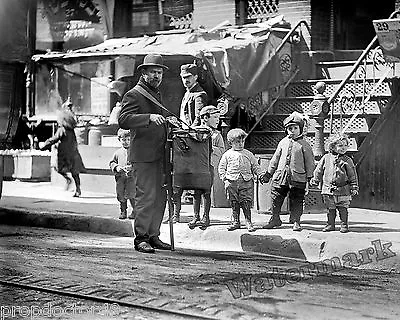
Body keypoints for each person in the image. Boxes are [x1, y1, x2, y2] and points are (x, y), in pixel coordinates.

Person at [118, 54, 171, 254]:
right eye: (153, 72)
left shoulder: (155, 93)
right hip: (143, 156)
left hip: (160, 155)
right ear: (144, 72)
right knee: (146, 197)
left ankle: (153, 235)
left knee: (160, 197)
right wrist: (148, 117)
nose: (157, 76)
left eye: (159, 73)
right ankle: (141, 238)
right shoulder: (135, 94)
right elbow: (123, 119)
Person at [259, 112, 315, 231]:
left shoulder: (304, 145)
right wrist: (269, 173)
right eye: (290, 128)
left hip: (298, 177)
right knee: (276, 197)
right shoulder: (283, 142)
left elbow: (310, 163)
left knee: (297, 199)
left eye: (295, 128)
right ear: (286, 130)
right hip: (281, 177)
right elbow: (275, 158)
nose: (292, 131)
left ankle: (296, 221)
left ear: (301, 129)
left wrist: (309, 178)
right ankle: (275, 218)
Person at [184, 105, 225, 230]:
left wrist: (211, 148)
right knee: (196, 192)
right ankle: (195, 217)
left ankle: (206, 217)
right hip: (196, 166)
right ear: (205, 118)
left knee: (206, 192)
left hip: (209, 167)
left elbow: (222, 151)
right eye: (215, 117)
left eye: (218, 117)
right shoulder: (195, 132)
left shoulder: (216, 135)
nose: (218, 120)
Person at [310, 133, 359, 233]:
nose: (343, 148)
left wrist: (354, 186)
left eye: (345, 145)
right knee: (330, 208)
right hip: (328, 190)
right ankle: (330, 224)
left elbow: (352, 175)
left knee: (343, 208)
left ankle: (344, 224)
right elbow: (318, 170)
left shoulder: (347, 160)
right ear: (332, 146)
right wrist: (315, 179)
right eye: (340, 145)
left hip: (343, 190)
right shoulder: (326, 158)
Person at [218, 128, 261, 232]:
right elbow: (221, 167)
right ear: (230, 143)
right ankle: (235, 221)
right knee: (234, 202)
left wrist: (260, 174)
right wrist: (224, 179)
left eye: (242, 141)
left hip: (246, 181)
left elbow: (255, 166)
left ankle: (248, 221)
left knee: (246, 201)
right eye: (237, 142)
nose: (240, 144)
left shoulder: (248, 154)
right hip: (231, 181)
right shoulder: (227, 154)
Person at [39, 109, 85, 197]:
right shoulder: (71, 131)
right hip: (73, 153)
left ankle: (68, 180)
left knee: (58, 168)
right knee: (75, 172)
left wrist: (44, 144)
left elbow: (54, 139)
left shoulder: (62, 130)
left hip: (64, 155)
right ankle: (78, 189)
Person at [109, 128, 136, 220]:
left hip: (132, 178)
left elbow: (139, 163)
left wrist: (132, 167)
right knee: (121, 195)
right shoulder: (117, 153)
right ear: (119, 140)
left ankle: (135, 211)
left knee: (132, 195)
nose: (126, 142)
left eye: (128, 139)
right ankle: (123, 210)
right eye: (123, 140)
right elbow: (112, 163)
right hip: (121, 178)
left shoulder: (135, 152)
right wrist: (117, 167)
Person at [179, 63, 208, 127]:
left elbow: (199, 118)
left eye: (188, 77)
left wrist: (191, 131)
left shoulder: (199, 94)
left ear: (195, 77)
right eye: (184, 77)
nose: (186, 80)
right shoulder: (187, 93)